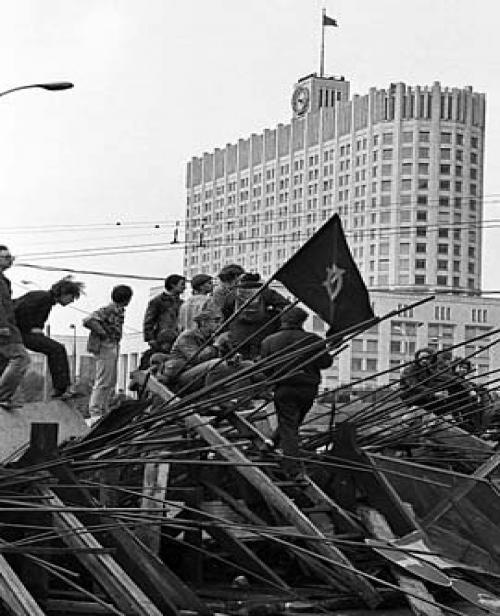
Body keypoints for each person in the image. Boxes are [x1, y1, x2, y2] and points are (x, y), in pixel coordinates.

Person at [260, 306, 333, 480]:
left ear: (282, 320)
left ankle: (291, 467)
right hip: (308, 389)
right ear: (302, 321)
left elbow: (265, 368)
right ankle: (271, 445)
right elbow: (325, 363)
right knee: (292, 424)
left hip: (284, 388)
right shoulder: (313, 340)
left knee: (289, 424)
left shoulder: (269, 341)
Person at [14, 276, 85, 399]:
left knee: (56, 349)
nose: (72, 301)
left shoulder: (45, 300)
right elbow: (19, 309)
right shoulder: (43, 298)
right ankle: (62, 389)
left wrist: (35, 327)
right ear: (64, 293)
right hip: (18, 332)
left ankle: (62, 388)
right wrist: (30, 327)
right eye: (72, 297)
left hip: (20, 331)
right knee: (57, 349)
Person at [160, 309, 248, 397]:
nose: (219, 325)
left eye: (220, 322)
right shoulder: (187, 336)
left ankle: (242, 398)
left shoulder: (211, 337)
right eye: (215, 321)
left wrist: (233, 359)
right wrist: (216, 345)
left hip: (202, 373)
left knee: (246, 365)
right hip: (183, 375)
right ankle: (211, 397)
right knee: (217, 364)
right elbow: (196, 359)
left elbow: (223, 357)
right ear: (203, 323)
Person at [83, 285, 133, 419]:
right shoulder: (109, 309)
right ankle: (96, 410)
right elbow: (88, 320)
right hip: (106, 345)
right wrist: (103, 333)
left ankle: (103, 408)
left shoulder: (118, 310)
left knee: (110, 380)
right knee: (104, 379)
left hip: (113, 344)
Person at [222, 273, 290, 360]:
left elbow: (225, 311)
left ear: (242, 281)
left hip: (238, 333)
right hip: (262, 332)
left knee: (240, 360)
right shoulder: (266, 292)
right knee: (260, 359)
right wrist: (272, 313)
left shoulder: (233, 294)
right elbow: (286, 306)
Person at [0, 245, 30, 410]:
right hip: (4, 329)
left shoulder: (4, 281)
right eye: (5, 257)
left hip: (8, 326)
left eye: (10, 257)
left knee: (4, 362)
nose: (10, 260)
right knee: (21, 358)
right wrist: (2, 325)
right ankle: (2, 396)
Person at [141, 274, 186, 368]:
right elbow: (149, 321)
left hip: (178, 339)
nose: (184, 287)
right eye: (182, 284)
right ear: (173, 285)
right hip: (162, 340)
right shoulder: (157, 301)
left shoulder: (182, 303)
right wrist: (150, 339)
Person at [399, 347, 452, 414]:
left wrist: (443, 390)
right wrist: (434, 394)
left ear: (431, 359)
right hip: (412, 397)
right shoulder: (409, 370)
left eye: (427, 358)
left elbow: (434, 381)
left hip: (425, 396)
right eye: (422, 358)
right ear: (417, 358)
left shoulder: (428, 370)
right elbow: (415, 386)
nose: (424, 360)